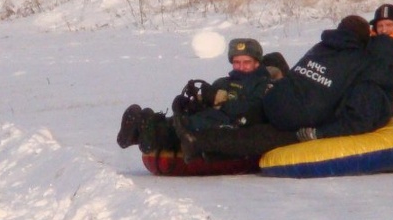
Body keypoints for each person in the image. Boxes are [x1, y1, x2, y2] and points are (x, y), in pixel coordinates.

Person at [175, 15, 393, 162]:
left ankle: (185, 128)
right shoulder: (364, 66)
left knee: (241, 116)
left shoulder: (322, 47)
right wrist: (320, 132)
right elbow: (358, 116)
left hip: (276, 97)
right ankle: (201, 142)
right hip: (298, 117)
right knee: (264, 138)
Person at [116, 37, 277, 155]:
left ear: (257, 62)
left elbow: (253, 110)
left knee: (188, 126)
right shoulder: (224, 81)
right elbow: (208, 100)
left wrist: (222, 101)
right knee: (184, 117)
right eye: (236, 62)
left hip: (229, 126)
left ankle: (149, 134)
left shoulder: (264, 85)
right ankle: (143, 127)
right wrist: (195, 101)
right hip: (209, 117)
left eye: (246, 62)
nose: (240, 67)